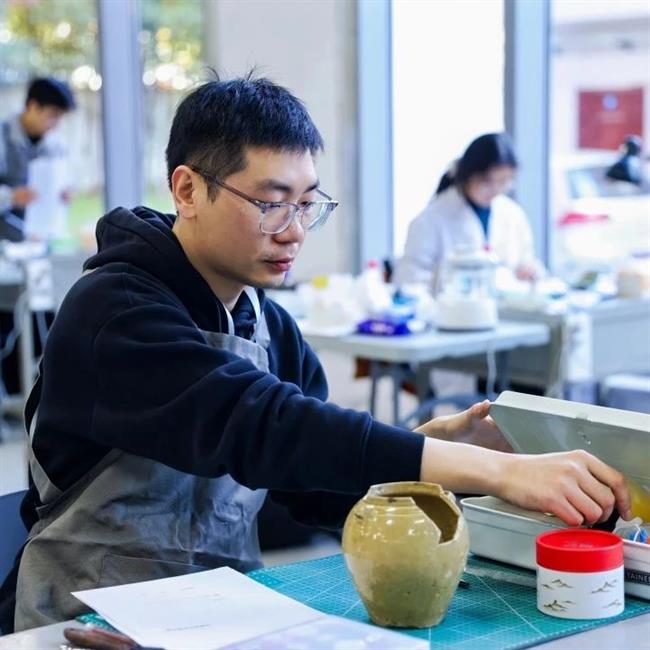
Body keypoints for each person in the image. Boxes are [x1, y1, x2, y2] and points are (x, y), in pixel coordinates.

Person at [0, 75, 630, 633]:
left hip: (214, 615)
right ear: (187, 190)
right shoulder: (113, 310)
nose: (295, 230)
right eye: (271, 203)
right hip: (81, 617)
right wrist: (491, 470)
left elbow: (311, 485)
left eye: (307, 204)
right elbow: (261, 424)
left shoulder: (269, 326)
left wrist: (429, 456)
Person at [395, 132, 541, 289]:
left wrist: (529, 273)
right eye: (488, 181)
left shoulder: (513, 215)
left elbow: (528, 262)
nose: (496, 189)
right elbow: (410, 282)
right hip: (449, 304)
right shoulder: (430, 220)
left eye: (504, 181)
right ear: (469, 174)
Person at [0, 76, 75, 242]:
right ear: (32, 106)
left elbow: (66, 182)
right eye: (53, 115)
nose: (56, 124)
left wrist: (64, 193)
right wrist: (11, 197)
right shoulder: (3, 137)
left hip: (39, 238)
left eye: (60, 117)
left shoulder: (55, 144)